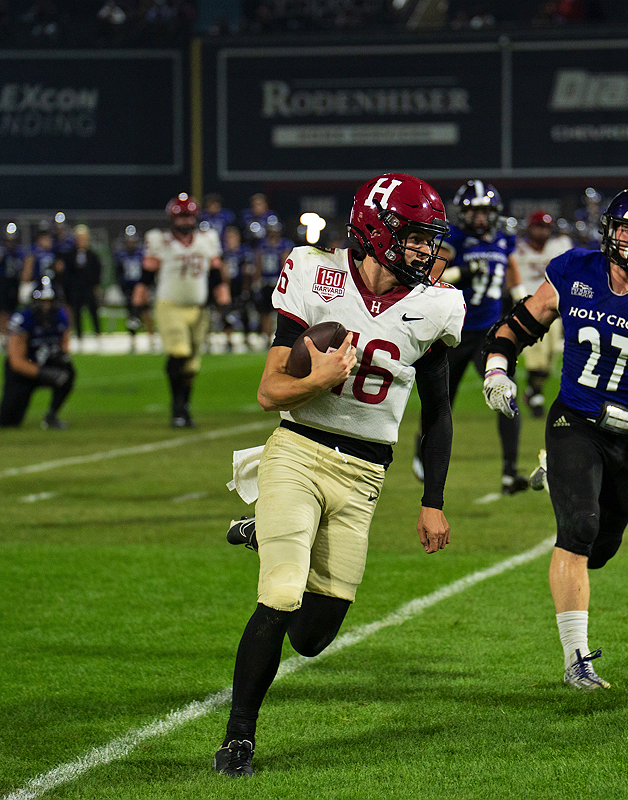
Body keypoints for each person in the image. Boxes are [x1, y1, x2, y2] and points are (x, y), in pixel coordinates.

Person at [212, 173, 465, 778]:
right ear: (376, 232)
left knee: (313, 636)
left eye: (430, 239)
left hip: (363, 476)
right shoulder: (314, 272)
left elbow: (440, 411)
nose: (425, 251)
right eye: (414, 237)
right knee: (280, 593)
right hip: (298, 452)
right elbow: (271, 390)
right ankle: (239, 738)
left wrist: (433, 499)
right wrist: (317, 380)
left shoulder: (437, 304)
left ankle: (262, 532)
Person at [480, 185, 628, 690]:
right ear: (610, 231)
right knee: (578, 528)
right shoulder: (574, 269)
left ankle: (556, 476)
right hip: (574, 420)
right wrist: (496, 368)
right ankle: (576, 660)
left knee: (601, 548)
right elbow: (518, 323)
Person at [420, 180, 526, 493]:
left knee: (504, 393)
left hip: (489, 332)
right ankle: (421, 452)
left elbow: (511, 270)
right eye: (474, 211)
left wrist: (522, 302)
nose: (480, 217)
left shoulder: (503, 239)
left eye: (485, 210)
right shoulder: (454, 239)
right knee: (440, 402)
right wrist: (462, 273)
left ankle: (509, 472)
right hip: (453, 332)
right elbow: (430, 276)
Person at [135, 193, 229, 428]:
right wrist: (137, 307)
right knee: (179, 352)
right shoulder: (159, 240)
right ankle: (176, 407)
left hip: (199, 308)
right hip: (170, 305)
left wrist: (225, 306)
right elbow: (145, 278)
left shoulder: (207, 239)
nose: (185, 221)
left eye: (188, 216)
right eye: (181, 217)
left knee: (191, 366)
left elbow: (217, 277)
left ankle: (184, 408)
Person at [513, 210, 573, 417]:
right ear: (530, 228)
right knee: (536, 358)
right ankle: (537, 398)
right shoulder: (517, 249)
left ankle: (531, 391)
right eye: (539, 226)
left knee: (549, 359)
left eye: (546, 227)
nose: (542, 231)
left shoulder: (560, 247)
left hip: (554, 309)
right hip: (528, 308)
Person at [0, 277, 75, 430]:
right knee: (8, 423)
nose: (46, 306)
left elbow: (65, 343)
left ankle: (52, 415)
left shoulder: (61, 317)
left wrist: (62, 356)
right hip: (23, 372)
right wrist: (42, 373)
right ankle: (5, 410)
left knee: (68, 372)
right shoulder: (23, 320)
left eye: (50, 301)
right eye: (43, 301)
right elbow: (15, 361)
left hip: (46, 362)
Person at [113, 225, 152, 353]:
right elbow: (118, 273)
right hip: (128, 288)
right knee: (131, 315)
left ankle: (151, 338)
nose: (131, 242)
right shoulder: (121, 254)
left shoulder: (142, 253)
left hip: (141, 287)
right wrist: (121, 287)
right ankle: (133, 340)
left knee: (146, 312)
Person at [64, 224, 103, 348]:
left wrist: (96, 285)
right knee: (77, 312)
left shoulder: (92, 255)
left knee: (93, 310)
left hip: (89, 287)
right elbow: (68, 272)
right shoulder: (71, 254)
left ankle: (97, 334)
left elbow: (97, 270)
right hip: (76, 288)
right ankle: (79, 335)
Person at [0, 223, 27, 345]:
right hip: (3, 282)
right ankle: (2, 336)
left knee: (14, 310)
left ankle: (13, 335)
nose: (10, 242)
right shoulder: (1, 251)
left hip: (15, 282)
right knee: (3, 310)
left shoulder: (19, 252)